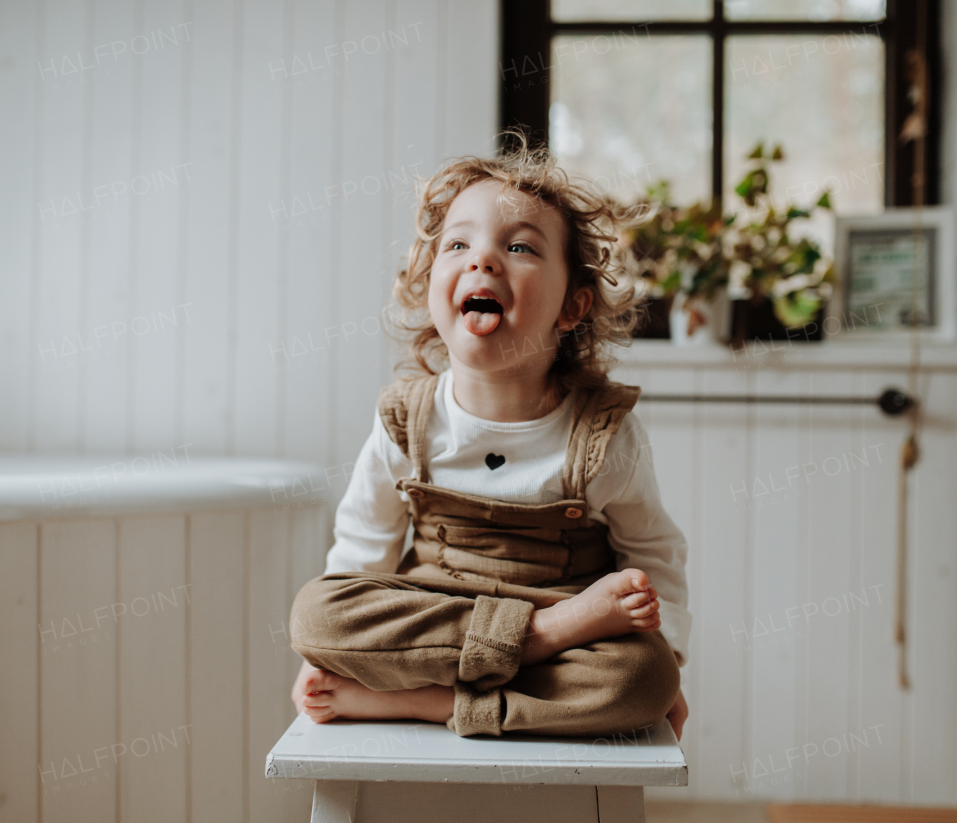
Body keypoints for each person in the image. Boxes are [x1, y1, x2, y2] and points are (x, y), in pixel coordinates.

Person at [288, 136, 691, 739]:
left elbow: (654, 552)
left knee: (642, 676)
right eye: (458, 244)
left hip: (565, 613)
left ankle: (432, 701)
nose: (483, 259)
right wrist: (317, 656)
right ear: (429, 286)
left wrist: (672, 661)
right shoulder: (408, 419)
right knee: (315, 614)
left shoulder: (603, 436)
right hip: (437, 614)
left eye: (520, 246)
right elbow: (363, 546)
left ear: (572, 306)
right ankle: (528, 645)